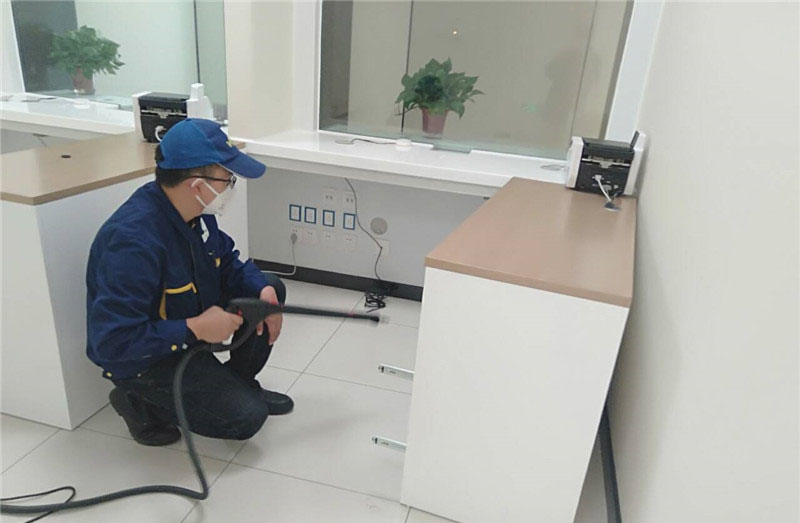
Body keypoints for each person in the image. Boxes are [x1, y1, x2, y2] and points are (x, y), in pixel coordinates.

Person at [86, 118, 291, 446]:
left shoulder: (198, 213)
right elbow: (112, 342)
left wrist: (262, 290)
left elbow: (228, 261)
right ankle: (137, 402)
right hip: (147, 359)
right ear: (197, 184)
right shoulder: (133, 242)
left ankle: (240, 383)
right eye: (228, 177)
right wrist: (194, 328)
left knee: (267, 288)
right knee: (246, 417)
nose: (231, 185)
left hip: (187, 325)